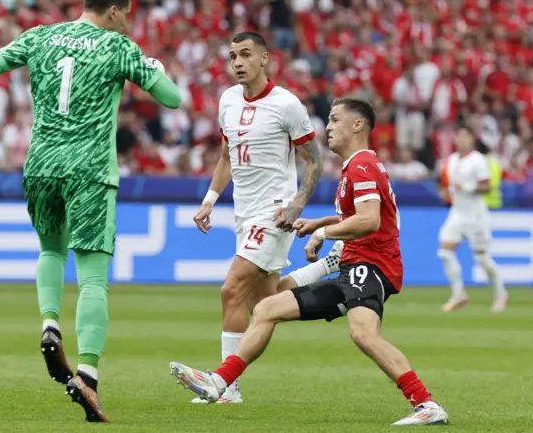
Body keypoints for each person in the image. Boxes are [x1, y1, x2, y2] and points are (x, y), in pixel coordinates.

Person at [0, 0, 182, 423]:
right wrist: (153, 66)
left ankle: (49, 323)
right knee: (92, 278)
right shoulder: (119, 47)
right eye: (128, 14)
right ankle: (88, 374)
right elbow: (173, 99)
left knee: (50, 249)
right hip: (90, 171)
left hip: (41, 164)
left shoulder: (40, 35)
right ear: (116, 11)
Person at [171, 97, 449, 426]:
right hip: (352, 269)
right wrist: (319, 225)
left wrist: (324, 234)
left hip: (369, 267)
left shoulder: (362, 165)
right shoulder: (357, 167)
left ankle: (425, 403)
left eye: (334, 120)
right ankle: (220, 383)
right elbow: (357, 215)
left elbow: (369, 220)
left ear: (358, 125)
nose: (327, 127)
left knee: (363, 334)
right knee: (266, 308)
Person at [191, 31, 323, 404]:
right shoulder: (228, 100)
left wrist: (297, 204)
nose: (237, 62)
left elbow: (315, 159)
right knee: (265, 304)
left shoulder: (287, 105)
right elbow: (226, 156)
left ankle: (225, 386)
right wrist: (209, 200)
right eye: (232, 55)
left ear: (264, 59)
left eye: (245, 54)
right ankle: (330, 264)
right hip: (243, 214)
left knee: (230, 290)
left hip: (274, 211)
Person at [438, 126, 508, 313]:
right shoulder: (451, 160)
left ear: (472, 139)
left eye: (465, 136)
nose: (461, 140)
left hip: (476, 216)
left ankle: (501, 293)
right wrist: (447, 192)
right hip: (457, 213)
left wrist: (468, 187)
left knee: (483, 260)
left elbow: (487, 187)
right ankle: (458, 294)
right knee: (445, 252)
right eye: (459, 136)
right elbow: (449, 185)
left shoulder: (478, 161)